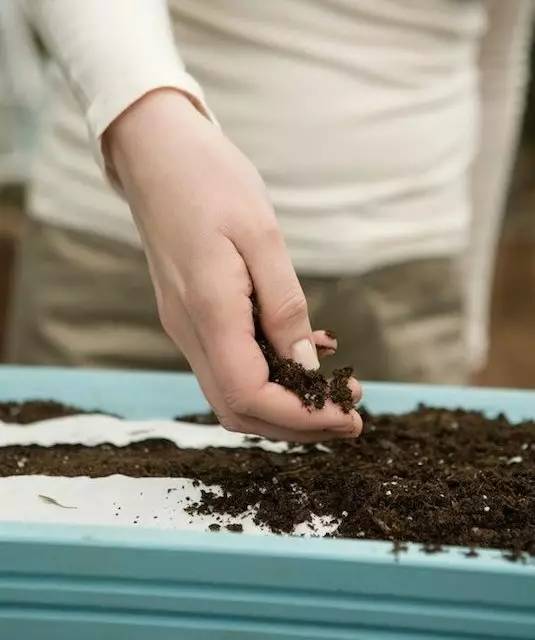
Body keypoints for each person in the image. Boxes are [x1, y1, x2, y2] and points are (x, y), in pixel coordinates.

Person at [7, 1, 533, 441]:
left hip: (403, 292)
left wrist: (466, 313)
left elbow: (496, 48)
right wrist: (142, 115)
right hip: (116, 263)